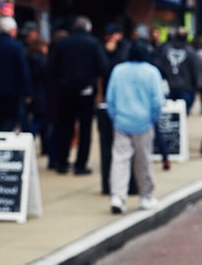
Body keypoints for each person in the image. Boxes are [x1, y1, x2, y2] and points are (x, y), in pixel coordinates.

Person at [105, 41, 164, 214]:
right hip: (143, 121)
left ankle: (117, 196)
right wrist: (153, 118)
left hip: (122, 120)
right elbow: (157, 101)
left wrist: (115, 117)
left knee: (120, 159)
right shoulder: (152, 72)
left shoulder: (118, 70)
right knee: (143, 159)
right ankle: (146, 196)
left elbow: (110, 98)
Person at [48, 16, 110, 175]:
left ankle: (62, 162)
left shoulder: (62, 43)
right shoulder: (94, 43)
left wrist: (60, 82)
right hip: (86, 91)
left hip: (65, 90)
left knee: (65, 127)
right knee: (85, 128)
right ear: (88, 28)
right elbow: (103, 67)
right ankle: (80, 164)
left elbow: (51, 66)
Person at [0, 17, 32, 132]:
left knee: (1, 116)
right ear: (10, 30)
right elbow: (23, 69)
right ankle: (4, 139)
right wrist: (27, 91)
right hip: (13, 89)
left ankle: (1, 139)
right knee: (11, 118)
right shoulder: (16, 46)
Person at [151, 27, 202, 115]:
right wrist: (197, 86)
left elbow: (159, 66)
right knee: (182, 115)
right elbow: (196, 70)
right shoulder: (191, 52)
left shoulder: (165, 50)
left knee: (170, 115)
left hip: (170, 86)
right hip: (186, 87)